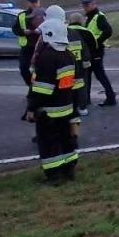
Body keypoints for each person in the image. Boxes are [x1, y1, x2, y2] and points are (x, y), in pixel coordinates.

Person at [25, 10, 79, 182]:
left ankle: (54, 176)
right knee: (66, 140)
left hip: (48, 111)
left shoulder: (47, 57)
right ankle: (69, 171)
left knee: (49, 143)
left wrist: (31, 107)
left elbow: (42, 89)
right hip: (66, 107)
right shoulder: (68, 54)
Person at [80, 0, 117, 106]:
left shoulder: (99, 17)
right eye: (84, 6)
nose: (85, 8)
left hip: (96, 51)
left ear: (94, 4)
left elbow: (108, 31)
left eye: (87, 5)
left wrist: (97, 42)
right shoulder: (89, 17)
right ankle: (87, 99)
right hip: (89, 51)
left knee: (99, 74)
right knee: (88, 75)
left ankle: (110, 97)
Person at [13, 0, 45, 86]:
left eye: (36, 2)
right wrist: (23, 32)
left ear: (39, 2)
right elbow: (15, 29)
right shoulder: (22, 15)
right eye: (32, 2)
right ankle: (31, 86)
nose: (34, 4)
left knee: (41, 70)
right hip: (27, 47)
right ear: (28, 3)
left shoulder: (45, 14)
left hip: (41, 47)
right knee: (24, 68)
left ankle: (39, 89)